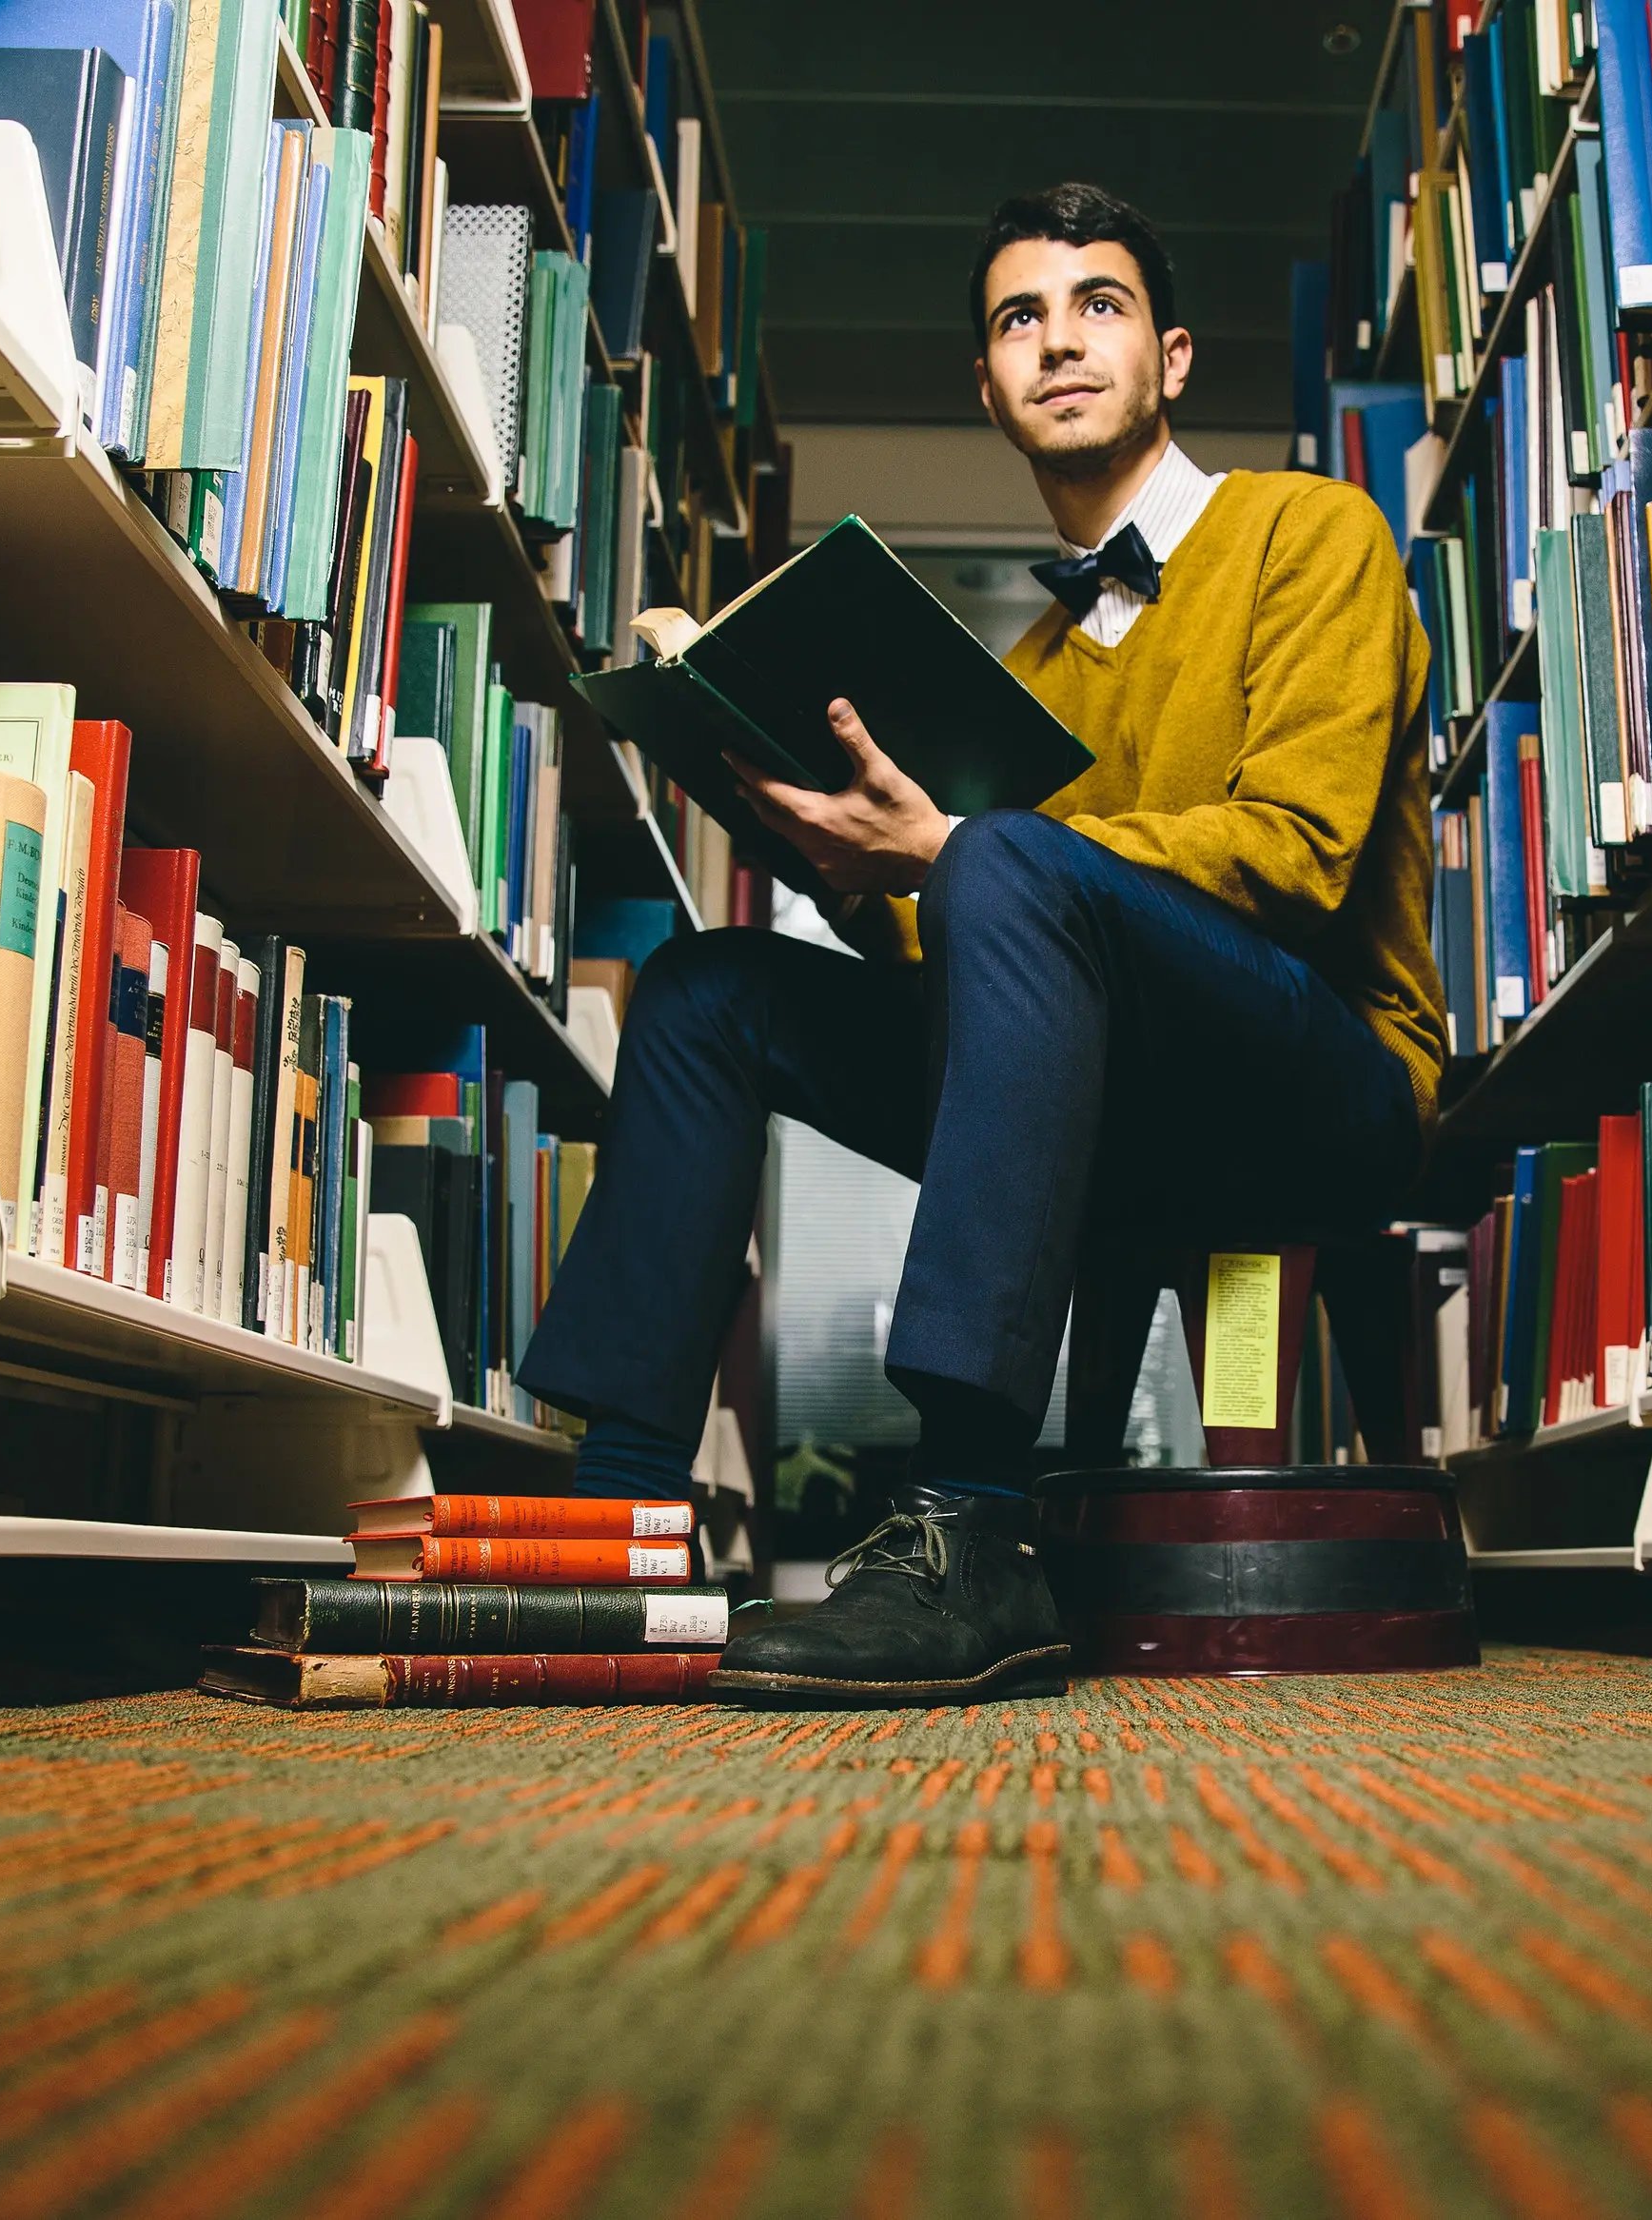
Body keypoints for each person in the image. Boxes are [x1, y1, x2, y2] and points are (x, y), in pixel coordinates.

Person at [517, 183, 1441, 1704]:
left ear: (1177, 359)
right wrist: (812, 839)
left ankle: (970, 1526)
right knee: (706, 990)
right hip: (1107, 1109)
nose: (1059, 342)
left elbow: (1302, 855)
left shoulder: (1308, 533)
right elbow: (987, 993)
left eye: (1100, 306)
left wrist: (953, 851)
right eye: (1022, 317)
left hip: (1322, 1090)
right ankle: (614, 1516)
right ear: (987, 381)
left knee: (1002, 852)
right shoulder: (1021, 669)